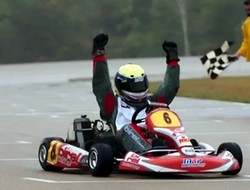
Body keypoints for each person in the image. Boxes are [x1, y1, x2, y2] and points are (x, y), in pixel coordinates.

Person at [91, 33, 180, 155]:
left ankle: (186, 149)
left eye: (140, 83)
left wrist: (173, 60)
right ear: (122, 85)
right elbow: (101, 84)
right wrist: (99, 54)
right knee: (129, 128)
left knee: (166, 124)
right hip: (122, 143)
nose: (138, 88)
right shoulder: (112, 105)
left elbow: (170, 87)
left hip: (153, 139)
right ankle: (149, 154)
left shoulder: (153, 102)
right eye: (133, 85)